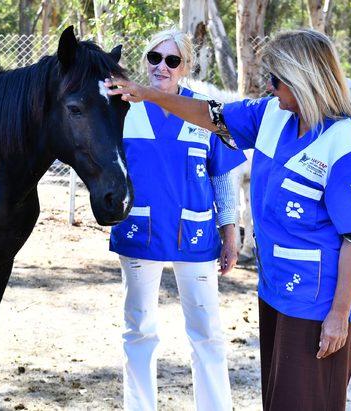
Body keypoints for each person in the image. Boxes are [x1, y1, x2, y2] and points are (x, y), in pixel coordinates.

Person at [106, 28, 351, 410]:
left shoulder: (346, 141)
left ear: (302, 79)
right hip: (277, 294)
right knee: (280, 399)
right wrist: (151, 94)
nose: (268, 87)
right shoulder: (272, 114)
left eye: (275, 79)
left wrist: (338, 315)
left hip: (320, 303)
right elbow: (210, 115)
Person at [109, 28, 246, 411]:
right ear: (145, 61)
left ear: (185, 66)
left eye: (171, 60)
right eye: (154, 58)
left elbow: (222, 175)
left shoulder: (206, 109)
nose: (161, 67)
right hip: (141, 232)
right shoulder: (123, 107)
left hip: (196, 235)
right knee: (139, 329)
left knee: (207, 333)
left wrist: (230, 232)